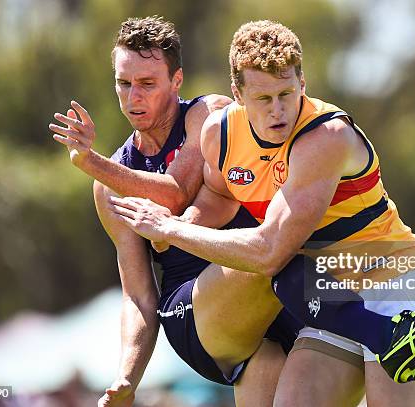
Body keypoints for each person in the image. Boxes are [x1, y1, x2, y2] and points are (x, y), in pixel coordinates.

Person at [109, 20, 415, 406]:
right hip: (333, 300)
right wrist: (182, 224)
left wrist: (169, 229)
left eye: (287, 93)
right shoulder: (221, 133)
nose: (279, 110)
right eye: (263, 99)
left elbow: (270, 252)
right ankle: (383, 335)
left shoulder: (324, 138)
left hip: (398, 284)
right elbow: (217, 195)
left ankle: (392, 334)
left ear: (303, 83)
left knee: (272, 261)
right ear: (238, 94)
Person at [49, 17, 301, 407]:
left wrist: (91, 162)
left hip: (266, 304)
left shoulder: (210, 115)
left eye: (148, 84)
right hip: (192, 314)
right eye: (123, 83)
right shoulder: (108, 184)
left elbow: (177, 193)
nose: (133, 96)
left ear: (177, 80)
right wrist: (127, 378)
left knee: (274, 360)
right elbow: (138, 297)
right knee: (282, 251)